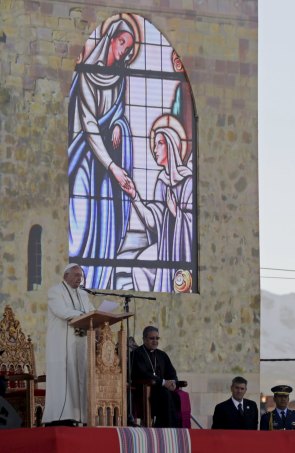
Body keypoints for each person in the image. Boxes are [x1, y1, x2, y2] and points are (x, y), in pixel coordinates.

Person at [68, 15, 140, 289]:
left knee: (104, 222)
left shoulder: (120, 77)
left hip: (107, 159)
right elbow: (88, 124)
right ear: (111, 39)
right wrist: (113, 167)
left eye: (128, 47)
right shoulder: (87, 74)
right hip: (85, 157)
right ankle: (78, 277)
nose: (123, 50)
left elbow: (116, 111)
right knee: (81, 221)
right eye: (121, 42)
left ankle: (97, 279)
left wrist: (120, 124)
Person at [122, 114, 193, 293]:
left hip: (182, 249)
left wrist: (177, 213)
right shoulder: (162, 182)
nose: (155, 149)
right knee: (138, 268)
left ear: (170, 146)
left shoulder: (188, 181)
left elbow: (193, 225)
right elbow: (154, 222)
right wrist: (135, 196)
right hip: (164, 245)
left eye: (159, 144)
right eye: (154, 145)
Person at [42, 263, 95, 425]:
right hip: (61, 345)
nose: (80, 278)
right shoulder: (55, 291)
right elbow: (62, 312)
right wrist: (83, 315)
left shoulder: (84, 295)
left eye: (81, 276)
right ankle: (60, 418)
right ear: (66, 276)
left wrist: (95, 317)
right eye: (76, 275)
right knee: (65, 380)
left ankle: (81, 417)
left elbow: (92, 312)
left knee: (81, 379)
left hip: (81, 344)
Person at [130, 326, 181, 427]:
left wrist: (173, 382)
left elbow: (172, 372)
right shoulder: (136, 354)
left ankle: (173, 429)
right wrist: (163, 382)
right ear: (144, 339)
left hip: (162, 390)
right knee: (165, 394)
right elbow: (142, 373)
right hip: (145, 391)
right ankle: (163, 428)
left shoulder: (162, 355)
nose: (155, 341)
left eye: (157, 338)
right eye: (152, 338)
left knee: (175, 397)